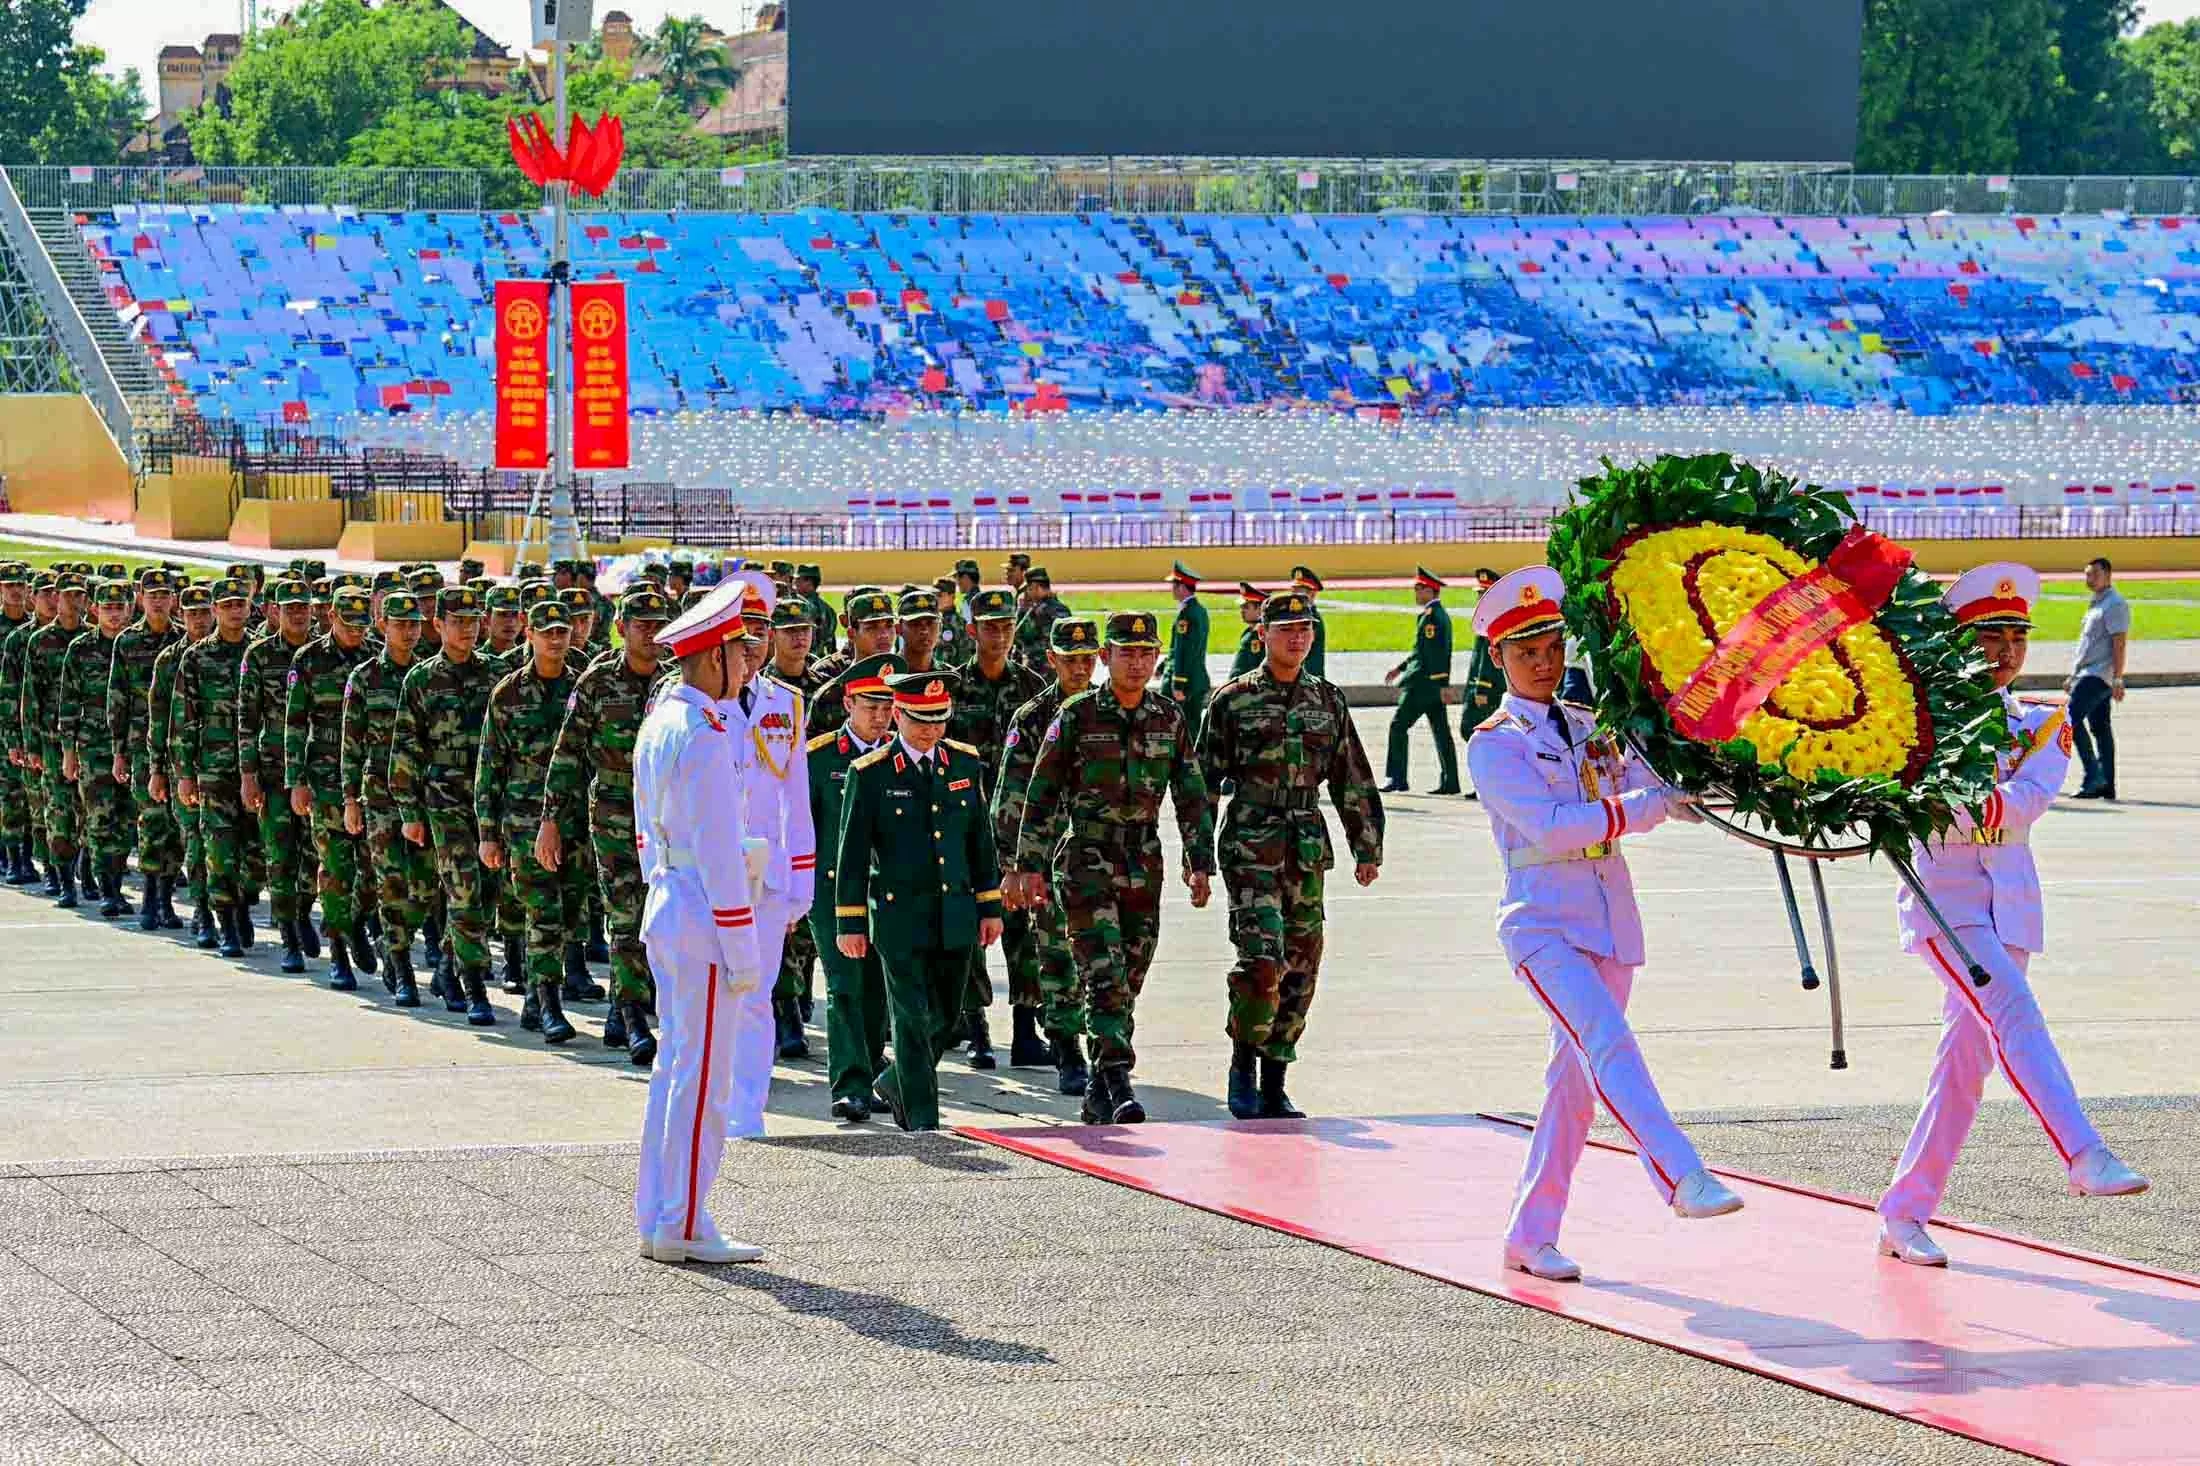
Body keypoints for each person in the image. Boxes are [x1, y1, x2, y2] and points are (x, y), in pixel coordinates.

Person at [1466, 566, 1742, 1283]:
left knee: (1574, 1092)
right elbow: (1556, 827)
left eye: (1550, 646)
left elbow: (1637, 788)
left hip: (1609, 923)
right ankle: (1681, 1176)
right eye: (1524, 650)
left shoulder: (1590, 726)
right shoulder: (1494, 743)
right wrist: (1645, 808)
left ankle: (1530, 1236)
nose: (1542, 661)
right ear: (1497, 657)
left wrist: (1691, 786)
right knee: (1606, 1041)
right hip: (1542, 928)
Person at [1876, 564, 2147, 1266]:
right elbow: (1928, 803)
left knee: (1964, 1068)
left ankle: (1903, 1211)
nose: (2003, 650)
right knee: (2016, 1015)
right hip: (1947, 904)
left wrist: (1962, 806)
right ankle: (2084, 1153)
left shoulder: (2039, 723)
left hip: (2012, 908)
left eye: (2015, 637)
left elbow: (2031, 797)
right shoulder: (1915, 727)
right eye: (1986, 636)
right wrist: (1967, 805)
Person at [1013, 612, 1213, 1124]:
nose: (1137, 662)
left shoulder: (1168, 716)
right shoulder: (1078, 715)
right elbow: (1039, 792)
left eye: (1147, 653)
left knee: (1129, 977)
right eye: (1126, 652)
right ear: (1107, 658)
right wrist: (1027, 865)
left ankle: (1099, 1087)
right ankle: (1119, 1078)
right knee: (1102, 974)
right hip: (1086, 861)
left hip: (1143, 861)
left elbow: (1191, 793)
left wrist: (1199, 861)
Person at [1199, 590, 1382, 1118]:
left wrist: (1366, 845)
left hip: (1305, 845)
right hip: (1251, 844)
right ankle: (1243, 1063)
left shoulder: (1326, 700)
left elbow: (1353, 777)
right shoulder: (1232, 700)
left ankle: (1275, 1075)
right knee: (1261, 960)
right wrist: (1199, 858)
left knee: (1302, 963)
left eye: (1305, 629)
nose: (1297, 638)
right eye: (1286, 630)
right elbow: (1203, 784)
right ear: (1263, 636)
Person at [632, 580, 768, 1266]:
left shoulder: (661, 721)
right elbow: (719, 857)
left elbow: (644, 835)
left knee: (675, 1069)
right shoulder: (707, 735)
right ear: (713, 657)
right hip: (704, 916)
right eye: (741, 652)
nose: (748, 665)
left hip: (667, 903)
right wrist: (744, 951)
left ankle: (662, 1211)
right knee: (704, 1081)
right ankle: (683, 1222)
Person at [833, 668, 1004, 1132]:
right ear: (899, 716)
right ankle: (924, 1120)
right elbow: (850, 854)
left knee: (948, 1015)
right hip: (898, 915)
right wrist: (849, 922)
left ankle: (894, 1080)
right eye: (920, 719)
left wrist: (990, 906)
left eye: (938, 719)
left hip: (955, 912)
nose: (930, 730)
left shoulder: (964, 764)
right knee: (910, 1017)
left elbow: (979, 842)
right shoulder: (871, 773)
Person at [541, 586, 672, 1064]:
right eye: (642, 625)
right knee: (624, 917)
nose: (652, 634)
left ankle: (625, 1006)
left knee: (658, 918)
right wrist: (551, 821)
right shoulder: (596, 684)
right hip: (615, 816)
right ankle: (636, 1016)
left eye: (659, 625)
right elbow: (568, 755)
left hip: (666, 819)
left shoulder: (675, 684)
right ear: (620, 629)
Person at [993, 617, 1102, 1096]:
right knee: (1055, 953)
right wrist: (1015, 863)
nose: (1080, 669)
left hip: (1101, 852)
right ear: (1051, 660)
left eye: (1087, 659)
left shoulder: (1109, 709)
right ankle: (1067, 1049)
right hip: (1048, 851)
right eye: (1070, 660)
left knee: (1102, 957)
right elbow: (1011, 793)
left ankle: (1104, 1045)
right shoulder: (1033, 717)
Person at [944, 588, 1047, 1069]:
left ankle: (1026, 1030)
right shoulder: (950, 690)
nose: (999, 634)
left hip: (1020, 829)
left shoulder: (1032, 689)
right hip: (966, 828)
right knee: (973, 929)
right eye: (990, 626)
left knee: (1025, 930)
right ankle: (978, 1030)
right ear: (972, 631)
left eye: (1006, 626)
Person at [478, 600, 590, 1043]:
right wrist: (488, 834)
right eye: (548, 632)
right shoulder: (507, 693)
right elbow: (490, 768)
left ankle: (535, 999)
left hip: (578, 818)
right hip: (524, 821)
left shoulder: (583, 686)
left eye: (563, 631)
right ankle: (548, 1003)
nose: (557, 639)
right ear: (530, 634)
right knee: (542, 911)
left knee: (569, 913)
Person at [392, 586, 503, 1024]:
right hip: (444, 802)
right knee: (463, 894)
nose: (468, 629)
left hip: (489, 805)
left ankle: (445, 962)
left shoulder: (496, 675)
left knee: (490, 893)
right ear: (437, 625)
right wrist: (409, 811)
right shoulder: (420, 679)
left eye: (474, 621)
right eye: (458, 621)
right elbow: (404, 748)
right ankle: (472, 985)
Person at [725, 575, 817, 1086]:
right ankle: (713, 1094)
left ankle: (747, 1106)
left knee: (757, 993)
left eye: (762, 630)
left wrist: (799, 884)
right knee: (713, 993)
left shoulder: (785, 702)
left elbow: (795, 797)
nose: (755, 641)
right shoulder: (687, 698)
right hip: (709, 868)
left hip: (768, 875)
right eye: (745, 631)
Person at [807, 654, 902, 1120]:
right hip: (832, 890)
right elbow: (801, 828)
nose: (880, 716)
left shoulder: (903, 756)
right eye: (870, 705)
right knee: (844, 985)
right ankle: (850, 1085)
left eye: (888, 706)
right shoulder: (820, 757)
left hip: (886, 892)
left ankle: (872, 1067)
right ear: (848, 702)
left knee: (878, 991)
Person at [284, 587, 375, 988]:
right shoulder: (309, 660)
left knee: (373, 870)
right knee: (336, 869)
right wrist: (297, 780)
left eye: (362, 625)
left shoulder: (375, 660)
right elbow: (294, 724)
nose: (356, 632)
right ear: (331, 617)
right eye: (348, 624)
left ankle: (354, 922)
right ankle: (338, 950)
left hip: (370, 780)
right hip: (324, 780)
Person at [343, 591, 431, 1007]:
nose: (409, 632)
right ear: (382, 626)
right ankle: (401, 967)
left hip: (422, 796)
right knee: (392, 881)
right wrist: (349, 799)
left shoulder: (428, 674)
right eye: (400, 624)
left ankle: (378, 930)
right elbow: (351, 744)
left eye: (415, 624)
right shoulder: (364, 678)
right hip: (377, 795)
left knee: (424, 887)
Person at [173, 578, 258, 957]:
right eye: (227, 605)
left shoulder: (261, 652)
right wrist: (183, 773)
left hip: (259, 769)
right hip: (214, 769)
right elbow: (184, 718)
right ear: (215, 611)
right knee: (219, 849)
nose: (235, 610)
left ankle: (242, 905)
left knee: (256, 852)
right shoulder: (196, 657)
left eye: (240, 603)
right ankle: (222, 921)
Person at [238, 580, 319, 972]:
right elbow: (246, 721)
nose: (298, 614)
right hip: (272, 773)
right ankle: (288, 934)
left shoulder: (321, 654)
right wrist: (248, 775)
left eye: (303, 607)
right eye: (290, 608)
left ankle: (303, 911)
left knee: (313, 856)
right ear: (274, 611)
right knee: (280, 856)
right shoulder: (259, 656)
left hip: (317, 773)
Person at [106, 568, 184, 931]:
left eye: (164, 593)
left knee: (177, 826)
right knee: (152, 821)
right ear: (141, 597)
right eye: (151, 594)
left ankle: (167, 897)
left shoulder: (184, 641)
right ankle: (152, 898)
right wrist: (119, 750)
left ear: (173, 598)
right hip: (141, 746)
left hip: (180, 749)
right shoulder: (127, 643)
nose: (158, 600)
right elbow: (117, 700)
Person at [1382, 566, 1460, 795]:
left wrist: (1442, 684)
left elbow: (1438, 654)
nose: (1415, 593)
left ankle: (1396, 778)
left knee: (1398, 726)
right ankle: (1450, 781)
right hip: (1431, 684)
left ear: (1430, 590)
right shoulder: (1433, 615)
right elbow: (1421, 651)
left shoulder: (1432, 618)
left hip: (1422, 686)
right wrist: (1400, 668)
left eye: (1419, 589)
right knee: (1441, 732)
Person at [2067, 556, 2129, 800]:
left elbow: (2120, 643)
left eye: (2093, 574)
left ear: (2107, 574)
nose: (2088, 579)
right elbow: (2088, 644)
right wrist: (2073, 675)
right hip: (2087, 672)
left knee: (2069, 719)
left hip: (2099, 675)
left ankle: (2094, 776)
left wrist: (2118, 678)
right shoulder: (2097, 603)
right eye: (2086, 575)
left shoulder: (2115, 604)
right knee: (2100, 727)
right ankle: (2107, 784)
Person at [1454, 567, 1505, 798]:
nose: (1478, 598)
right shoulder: (1486, 618)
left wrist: (1482, 689)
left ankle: (1487, 784)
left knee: (1478, 735)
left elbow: (1487, 659)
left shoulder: (1492, 620)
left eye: (1483, 594)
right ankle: (1486, 784)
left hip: (1487, 690)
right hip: (1479, 686)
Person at [1164, 562, 1212, 746]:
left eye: (1174, 586)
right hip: (1196, 678)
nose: (1172, 590)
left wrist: (1179, 683)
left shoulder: (1187, 614)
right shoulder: (1198, 610)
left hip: (1186, 681)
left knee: (1183, 729)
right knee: (1190, 726)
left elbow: (1186, 649)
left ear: (1182, 587)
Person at [1009, 567, 1070, 671]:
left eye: (1029, 589)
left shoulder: (1037, 611)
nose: (1027, 593)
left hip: (1040, 668)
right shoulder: (1061, 608)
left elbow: (1015, 635)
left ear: (1036, 587)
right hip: (1055, 668)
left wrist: (1022, 610)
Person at [1290, 566, 1327, 679]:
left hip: (1309, 680)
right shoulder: (1301, 616)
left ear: (1312, 594)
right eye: (1294, 590)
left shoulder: (1312, 620)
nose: (1294, 595)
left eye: (1300, 591)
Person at [1227, 582, 1265, 680]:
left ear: (1260, 610)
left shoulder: (1262, 635)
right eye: (1241, 607)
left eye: (1246, 607)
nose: (1242, 611)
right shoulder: (1249, 632)